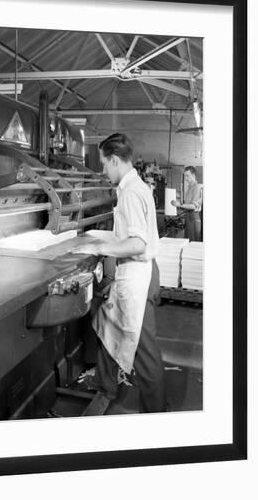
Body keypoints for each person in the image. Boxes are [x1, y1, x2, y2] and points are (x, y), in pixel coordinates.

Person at [73, 133, 166, 413]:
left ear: (115, 160)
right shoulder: (133, 187)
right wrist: (103, 251)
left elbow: (138, 243)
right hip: (137, 274)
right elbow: (130, 236)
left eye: (104, 164)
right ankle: (106, 386)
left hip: (139, 278)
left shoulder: (131, 192)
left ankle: (158, 413)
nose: (103, 170)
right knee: (106, 328)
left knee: (144, 352)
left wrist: (101, 247)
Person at [171, 166, 202, 241]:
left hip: (193, 217)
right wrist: (179, 204)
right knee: (188, 240)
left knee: (193, 242)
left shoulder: (196, 187)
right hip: (188, 216)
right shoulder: (190, 188)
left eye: (188, 176)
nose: (186, 178)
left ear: (193, 175)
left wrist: (180, 205)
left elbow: (193, 206)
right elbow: (188, 204)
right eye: (185, 176)